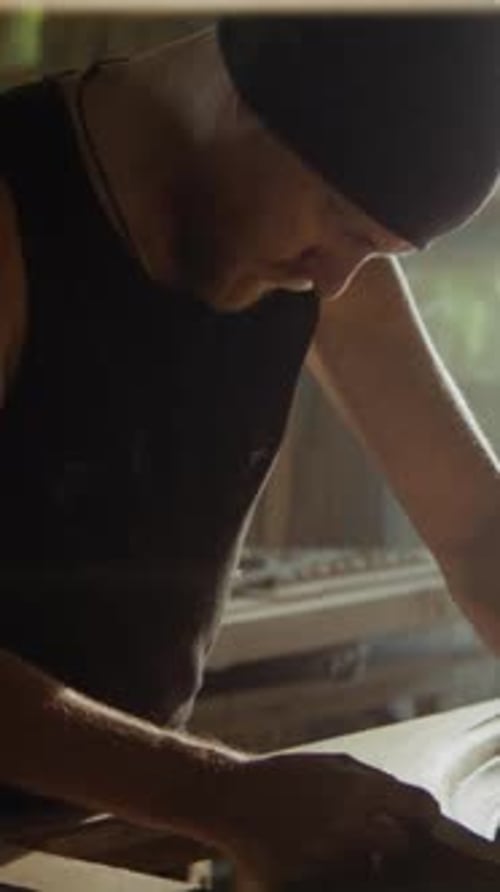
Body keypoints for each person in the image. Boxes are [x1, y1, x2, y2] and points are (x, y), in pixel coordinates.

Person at [1, 12, 500, 888]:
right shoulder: (12, 213)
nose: (338, 277)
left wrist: (200, 796)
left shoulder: (320, 249)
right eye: (343, 222)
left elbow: (476, 532)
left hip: (90, 832)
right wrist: (223, 794)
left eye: (376, 250)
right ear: (249, 96)